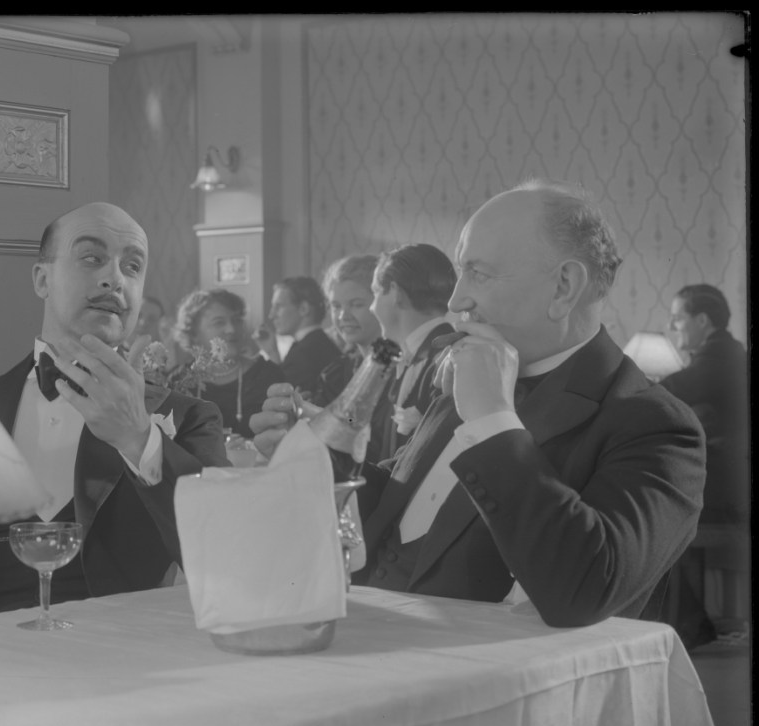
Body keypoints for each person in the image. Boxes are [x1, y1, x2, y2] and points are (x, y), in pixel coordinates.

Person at [251, 179, 706, 627]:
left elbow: (585, 590)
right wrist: (317, 454)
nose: (455, 300)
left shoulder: (655, 424)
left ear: (564, 288)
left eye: (479, 273)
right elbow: (402, 507)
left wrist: (492, 419)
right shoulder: (464, 374)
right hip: (368, 636)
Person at [0, 202, 228, 622]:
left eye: (132, 266)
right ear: (42, 280)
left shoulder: (190, 417)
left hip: (116, 650)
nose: (115, 279)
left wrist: (138, 437)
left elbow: (226, 559)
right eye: (92, 258)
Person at [658, 284, 748, 648]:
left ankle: (687, 627)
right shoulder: (725, 353)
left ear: (702, 320)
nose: (671, 327)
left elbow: (667, 391)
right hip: (729, 484)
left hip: (729, 491)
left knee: (659, 511)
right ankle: (688, 623)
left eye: (677, 318)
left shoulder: (718, 356)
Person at [369, 244, 457, 458]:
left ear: (395, 292)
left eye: (376, 293)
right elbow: (372, 431)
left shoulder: (447, 360)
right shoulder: (399, 357)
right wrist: (322, 415)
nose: (372, 307)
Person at [169, 288, 286, 439]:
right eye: (219, 322)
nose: (231, 329)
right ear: (194, 333)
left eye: (237, 320)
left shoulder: (268, 376)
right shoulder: (178, 381)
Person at [311, 255, 393, 463]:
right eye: (336, 306)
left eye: (356, 305)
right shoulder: (334, 373)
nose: (342, 316)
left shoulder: (402, 369)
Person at [254, 276, 342, 399]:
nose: (271, 315)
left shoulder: (305, 354)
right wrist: (272, 352)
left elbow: (279, 398)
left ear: (303, 309)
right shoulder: (318, 343)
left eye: (278, 307)